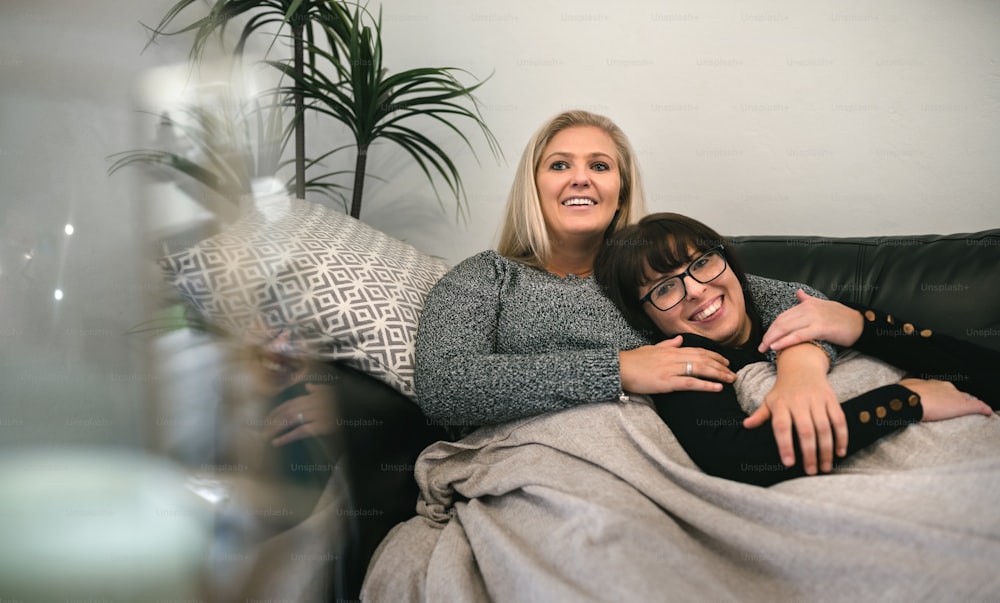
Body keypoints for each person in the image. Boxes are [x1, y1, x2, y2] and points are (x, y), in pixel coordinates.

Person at [415, 109, 851, 474]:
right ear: (534, 184)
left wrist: (799, 373)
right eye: (559, 165)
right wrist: (617, 369)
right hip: (538, 462)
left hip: (667, 458)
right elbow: (443, 385)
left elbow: (799, 302)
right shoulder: (483, 277)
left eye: (600, 166)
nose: (580, 179)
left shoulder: (648, 276)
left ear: (620, 190)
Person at [593, 212, 998, 485]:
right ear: (646, 318)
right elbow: (739, 461)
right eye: (664, 287)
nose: (697, 291)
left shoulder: (808, 313)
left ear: (729, 262)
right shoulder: (689, 362)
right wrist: (904, 400)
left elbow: (985, 371)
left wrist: (860, 326)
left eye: (701, 263)